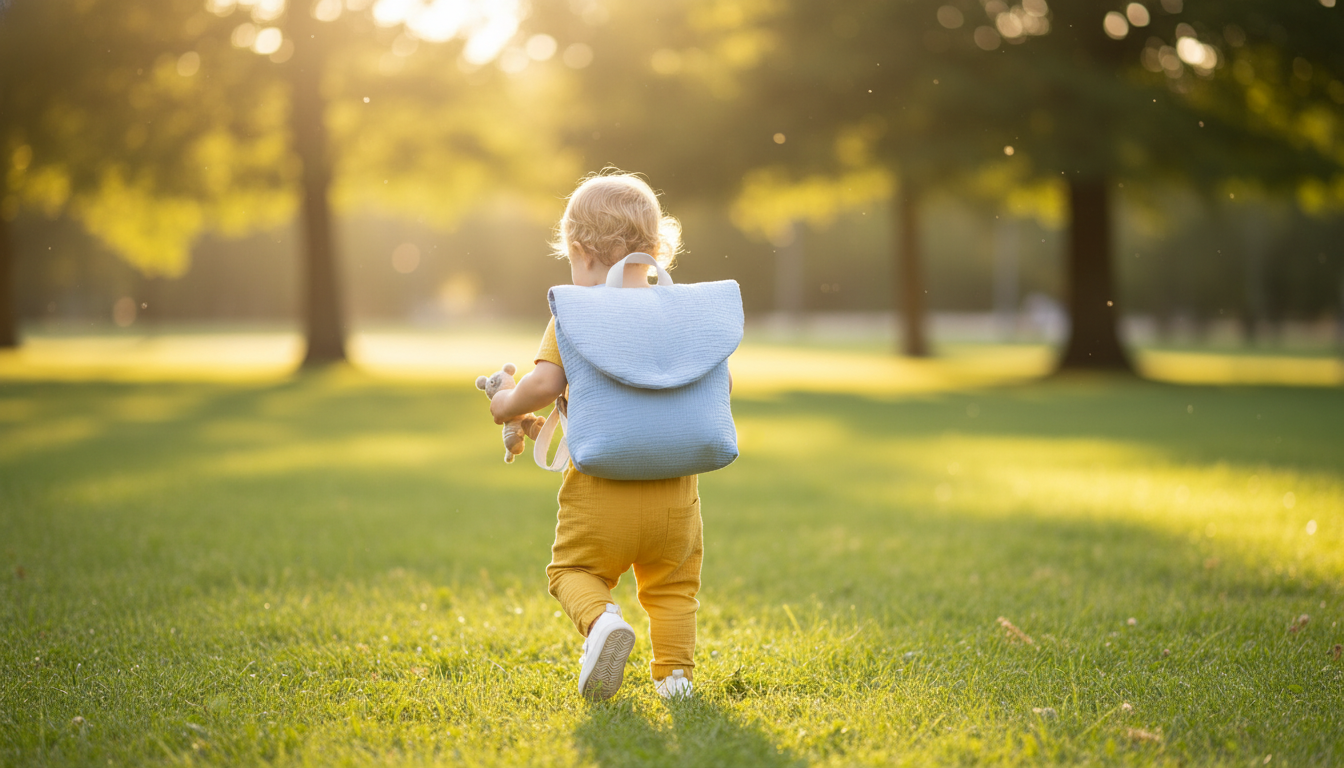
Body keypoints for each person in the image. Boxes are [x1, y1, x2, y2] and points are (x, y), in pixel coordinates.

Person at [487, 172, 708, 701]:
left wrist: (506, 405)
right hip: (676, 492)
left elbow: (544, 384)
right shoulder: (681, 317)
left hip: (601, 489)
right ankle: (675, 681)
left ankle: (603, 621)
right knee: (673, 588)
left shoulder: (575, 313)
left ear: (582, 253)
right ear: (657, 250)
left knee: (573, 570)